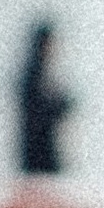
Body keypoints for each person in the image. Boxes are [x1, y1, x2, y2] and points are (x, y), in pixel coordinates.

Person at [14, 16, 75, 176]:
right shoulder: (33, 76)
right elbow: (38, 111)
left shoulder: (40, 73)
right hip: (38, 153)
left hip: (41, 151)